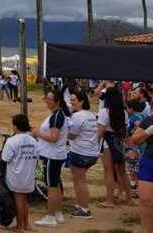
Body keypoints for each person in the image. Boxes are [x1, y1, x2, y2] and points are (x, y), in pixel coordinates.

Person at [33, 90, 70, 227]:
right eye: (46, 98)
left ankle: (50, 216)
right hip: (55, 154)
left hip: (51, 155)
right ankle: (58, 212)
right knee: (56, 184)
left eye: (49, 99)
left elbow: (53, 138)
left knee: (52, 186)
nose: (46, 101)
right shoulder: (56, 115)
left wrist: (38, 133)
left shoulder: (57, 117)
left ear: (57, 102)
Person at [2, 114, 38, 231]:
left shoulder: (12, 141)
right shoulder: (33, 140)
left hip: (16, 175)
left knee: (18, 200)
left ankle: (20, 226)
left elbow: (5, 158)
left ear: (16, 126)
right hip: (29, 174)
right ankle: (26, 224)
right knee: (24, 200)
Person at [67, 90, 100, 219]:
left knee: (80, 181)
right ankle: (80, 204)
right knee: (78, 180)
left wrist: (62, 133)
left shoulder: (77, 116)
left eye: (74, 100)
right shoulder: (90, 115)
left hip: (80, 152)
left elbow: (72, 135)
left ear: (81, 101)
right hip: (92, 152)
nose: (71, 102)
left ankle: (85, 209)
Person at [98, 87, 133, 206]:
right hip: (119, 141)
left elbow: (101, 131)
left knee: (108, 171)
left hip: (108, 142)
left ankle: (109, 200)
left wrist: (93, 143)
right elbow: (126, 131)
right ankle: (129, 198)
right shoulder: (123, 112)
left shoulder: (104, 112)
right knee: (122, 171)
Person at [129, 112, 153, 233]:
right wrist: (148, 132)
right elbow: (134, 140)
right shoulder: (150, 120)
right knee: (146, 201)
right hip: (150, 161)